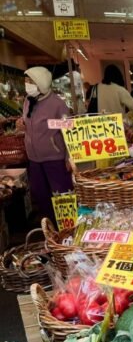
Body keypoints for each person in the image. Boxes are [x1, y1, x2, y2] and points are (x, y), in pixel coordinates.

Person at [22, 67, 73, 224]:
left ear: (41, 83)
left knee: (62, 195)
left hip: (54, 158)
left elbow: (68, 130)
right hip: (34, 159)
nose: (26, 84)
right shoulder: (28, 101)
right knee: (40, 194)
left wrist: (68, 157)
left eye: (30, 81)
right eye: (26, 81)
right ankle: (51, 227)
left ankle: (67, 230)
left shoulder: (57, 104)